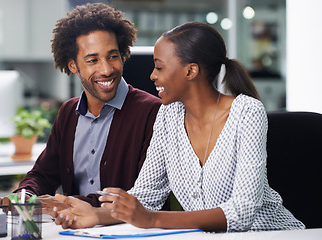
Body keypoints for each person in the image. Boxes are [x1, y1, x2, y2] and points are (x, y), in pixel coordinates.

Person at [52, 22, 305, 232]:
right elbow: (147, 195)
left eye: (159, 67)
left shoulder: (247, 112)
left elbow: (242, 212)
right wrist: (97, 215)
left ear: (191, 70)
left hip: (271, 235)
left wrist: (152, 219)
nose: (152, 75)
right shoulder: (168, 115)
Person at [0, 3, 161, 214]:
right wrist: (25, 194)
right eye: (93, 60)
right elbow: (43, 174)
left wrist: (65, 203)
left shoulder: (152, 112)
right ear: (73, 65)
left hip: (124, 231)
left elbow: (142, 193)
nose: (106, 69)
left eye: (113, 56)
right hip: (75, 230)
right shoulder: (68, 112)